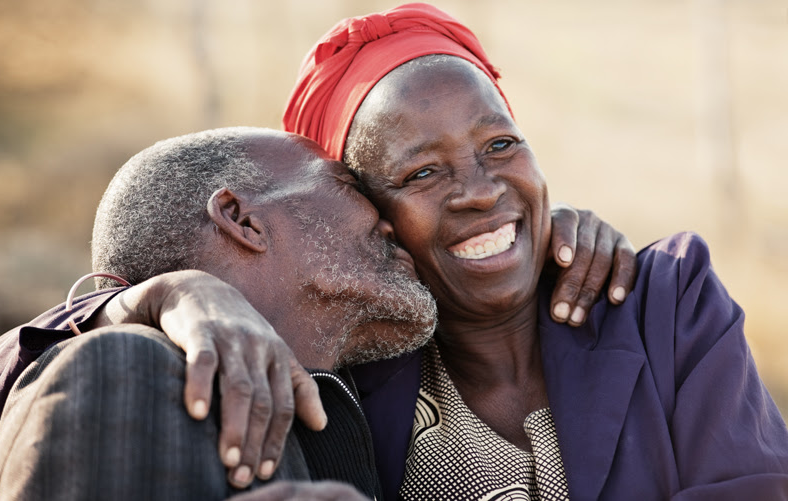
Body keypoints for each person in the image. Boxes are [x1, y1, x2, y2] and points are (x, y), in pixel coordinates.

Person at [282, 3, 788, 500]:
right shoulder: (340, 388)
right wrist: (199, 293)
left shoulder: (667, 304)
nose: (480, 192)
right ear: (369, 216)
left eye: (500, 145)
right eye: (423, 173)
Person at [0, 126, 438, 500]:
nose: (389, 219)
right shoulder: (129, 366)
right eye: (349, 185)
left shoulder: (337, 423)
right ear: (241, 220)